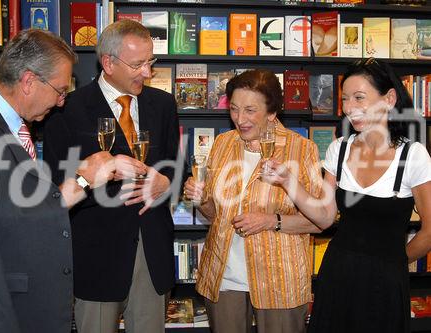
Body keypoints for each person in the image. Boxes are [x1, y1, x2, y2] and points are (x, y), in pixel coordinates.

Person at [0, 29, 116, 333]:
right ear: (29, 81)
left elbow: (21, 214)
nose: (60, 102)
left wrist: (84, 180)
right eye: (59, 91)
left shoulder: (9, 128)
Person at [263, 58, 431, 333]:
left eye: (359, 98)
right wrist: (288, 181)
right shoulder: (339, 149)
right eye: (345, 99)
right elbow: (325, 217)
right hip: (337, 273)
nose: (349, 108)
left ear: (389, 98)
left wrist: (395, 263)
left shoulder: (413, 155)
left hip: (386, 284)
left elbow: (429, 231)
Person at [43, 19, 179, 333]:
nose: (147, 72)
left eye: (150, 62)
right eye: (138, 64)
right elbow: (55, 185)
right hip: (97, 258)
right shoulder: (66, 109)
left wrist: (166, 182)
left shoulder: (163, 104)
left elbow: (176, 163)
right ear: (108, 62)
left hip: (152, 254)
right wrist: (97, 175)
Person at [183, 69, 323, 333]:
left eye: (250, 110)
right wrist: (202, 199)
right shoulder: (222, 144)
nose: (239, 119)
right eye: (234, 109)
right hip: (224, 277)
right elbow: (214, 216)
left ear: (272, 113)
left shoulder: (302, 149)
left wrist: (270, 221)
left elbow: (319, 221)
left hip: (279, 279)